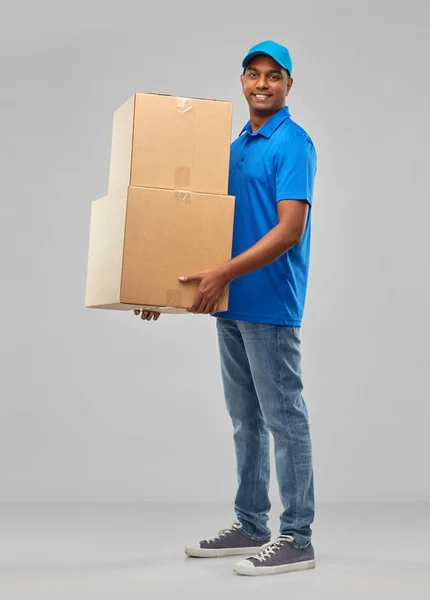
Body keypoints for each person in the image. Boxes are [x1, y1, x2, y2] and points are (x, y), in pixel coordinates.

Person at [135, 40, 317, 577]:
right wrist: (160, 286)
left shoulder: (293, 144)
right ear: (242, 82)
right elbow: (203, 223)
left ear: (288, 84)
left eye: (273, 76)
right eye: (252, 75)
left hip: (271, 300)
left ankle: (298, 536)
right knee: (246, 420)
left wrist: (221, 275)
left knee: (285, 420)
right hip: (230, 300)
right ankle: (252, 523)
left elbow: (290, 230)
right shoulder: (238, 144)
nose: (262, 84)